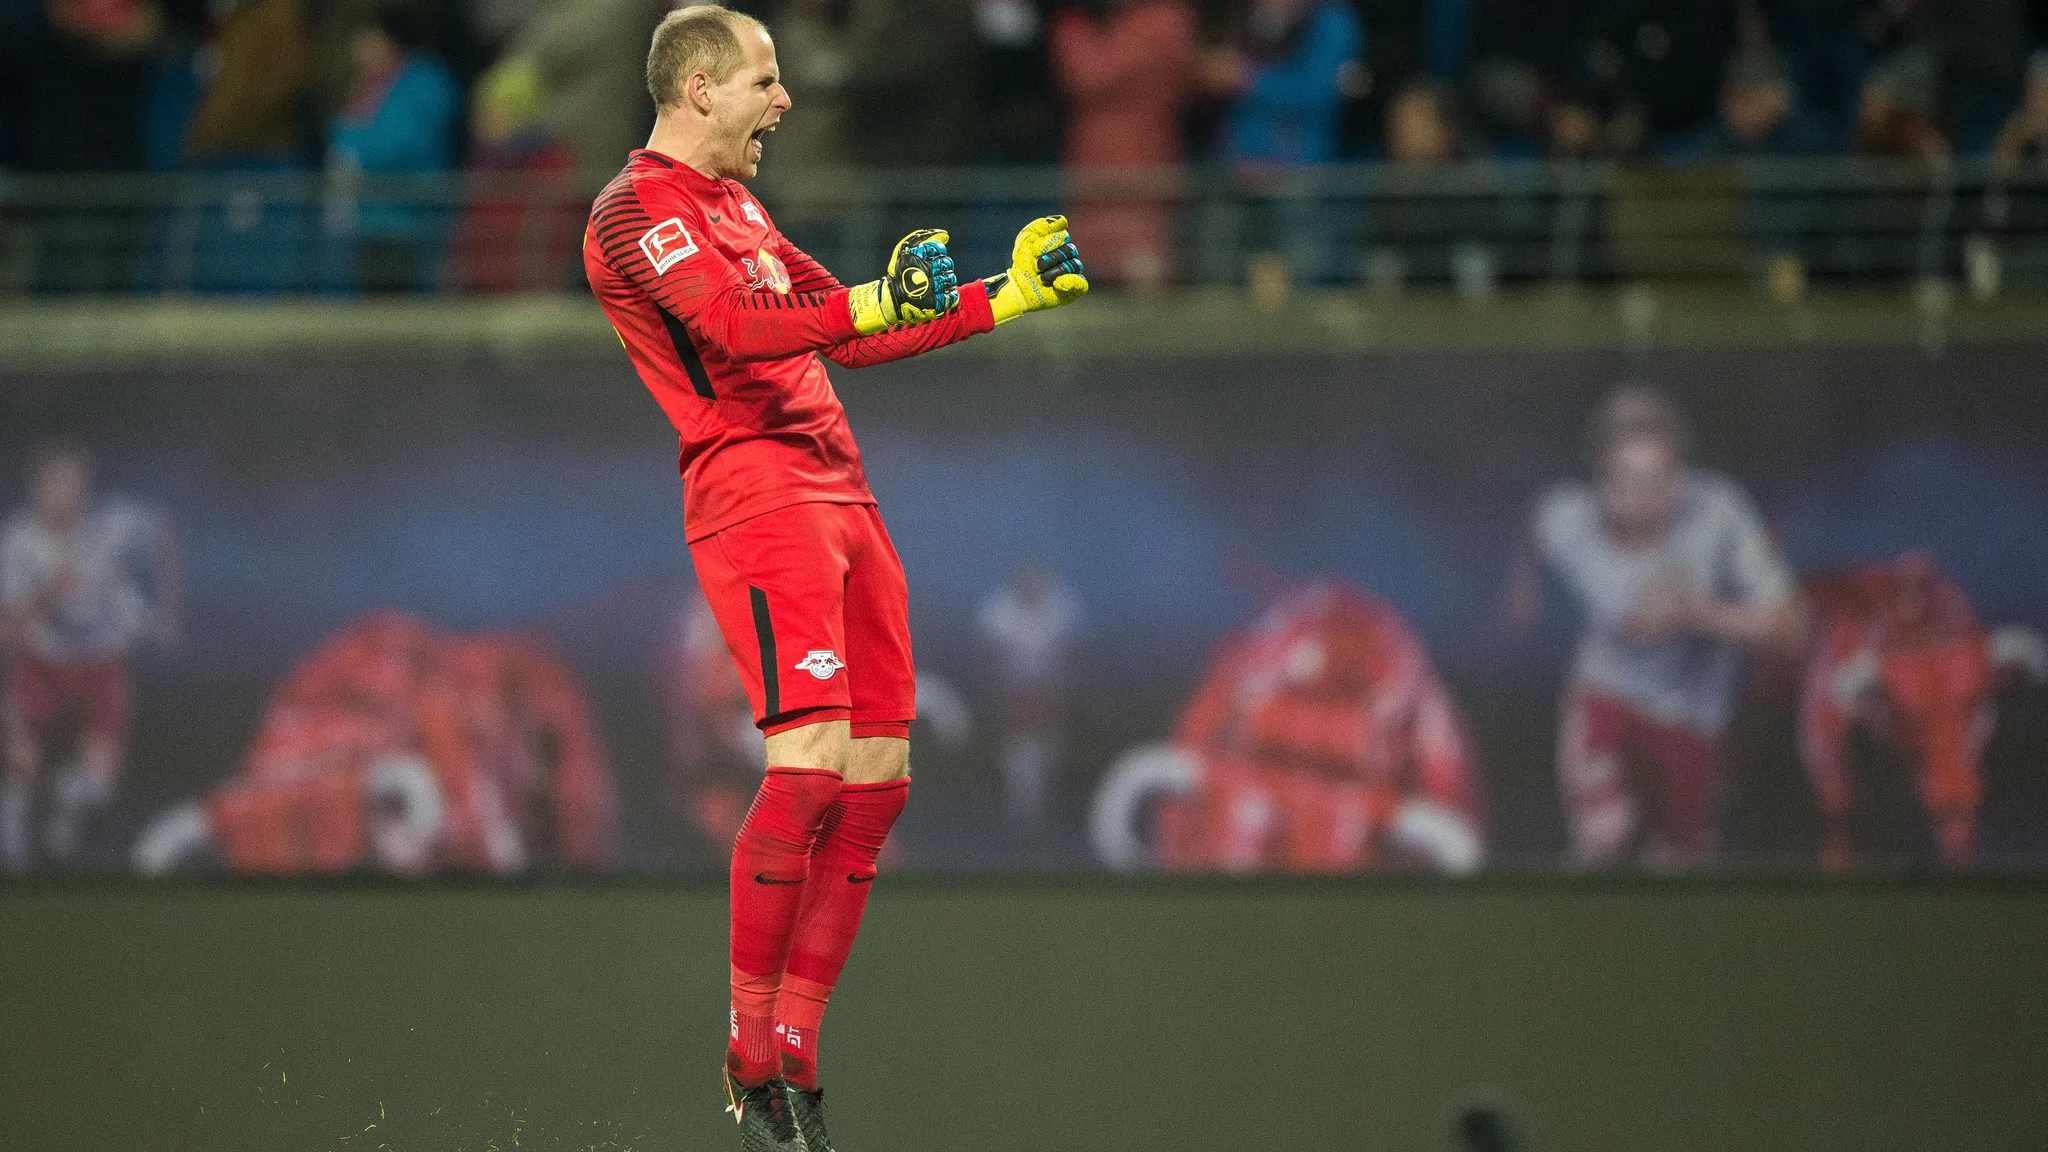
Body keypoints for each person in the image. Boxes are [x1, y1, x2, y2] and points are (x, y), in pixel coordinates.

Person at [578, 7, 1088, 1149]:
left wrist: (1005, 295)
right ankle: (750, 1049)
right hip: (757, 497)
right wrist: (866, 299)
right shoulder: (631, 211)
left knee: (878, 780)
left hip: (845, 493)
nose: (784, 100)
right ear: (699, 87)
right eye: (766, 80)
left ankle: (797, 1055)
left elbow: (846, 333)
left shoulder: (742, 207)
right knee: (803, 771)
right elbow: (732, 323)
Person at [1505, 388, 1805, 869]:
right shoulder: (1569, 520)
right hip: (1606, 695)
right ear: (1600, 478)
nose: (1641, 499)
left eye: (1657, 481)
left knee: (1682, 860)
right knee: (1604, 835)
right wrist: (1522, 597)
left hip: (1693, 717)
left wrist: (1694, 611)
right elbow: (1536, 530)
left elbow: (1793, 629)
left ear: (1680, 478)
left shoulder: (1717, 515)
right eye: (1624, 480)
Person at [1, 443, 179, 872]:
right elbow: (7, 628)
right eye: (54, 484)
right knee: (20, 760)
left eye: (73, 483)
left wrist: (169, 609)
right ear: (37, 489)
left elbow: (162, 533)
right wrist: (49, 594)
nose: (64, 495)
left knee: (99, 783)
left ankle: (68, 804)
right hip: (42, 663)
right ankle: (12, 837)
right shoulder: (18, 541)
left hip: (101, 663)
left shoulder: (113, 523)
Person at [1048, 0, 1199, 290]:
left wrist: (1070, 21)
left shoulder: (1161, 21)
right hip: (1109, 170)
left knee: (1139, 277)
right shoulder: (1157, 20)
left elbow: (1087, 74)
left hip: (1133, 169)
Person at [326, 2, 461, 291]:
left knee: (400, 309)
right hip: (369, 220)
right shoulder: (370, 84)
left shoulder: (422, 82)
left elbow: (403, 143)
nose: (356, 48)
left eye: (365, 39)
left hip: (407, 220)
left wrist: (352, 143)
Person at [975, 562, 1078, 837]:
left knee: (1047, 748)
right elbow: (990, 659)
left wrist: (1054, 694)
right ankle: (1020, 815)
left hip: (1051, 689)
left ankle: (1046, 809)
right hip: (1012, 691)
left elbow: (1070, 658)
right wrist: (1008, 695)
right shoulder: (1001, 610)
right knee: (1019, 750)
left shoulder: (1060, 607)